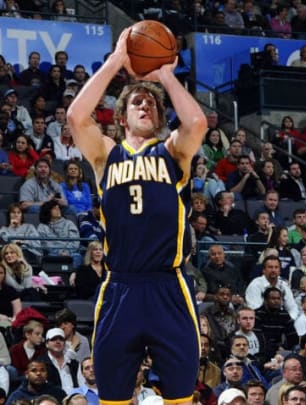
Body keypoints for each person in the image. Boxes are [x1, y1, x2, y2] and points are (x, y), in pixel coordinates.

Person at [66, 26, 208, 405]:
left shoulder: (173, 151)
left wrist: (164, 76)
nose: (145, 105)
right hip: (120, 286)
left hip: (169, 286)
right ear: (122, 117)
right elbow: (77, 117)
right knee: (113, 397)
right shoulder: (105, 154)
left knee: (180, 396)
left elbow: (196, 124)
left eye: (152, 104)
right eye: (137, 103)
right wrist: (116, 62)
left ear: (161, 117)